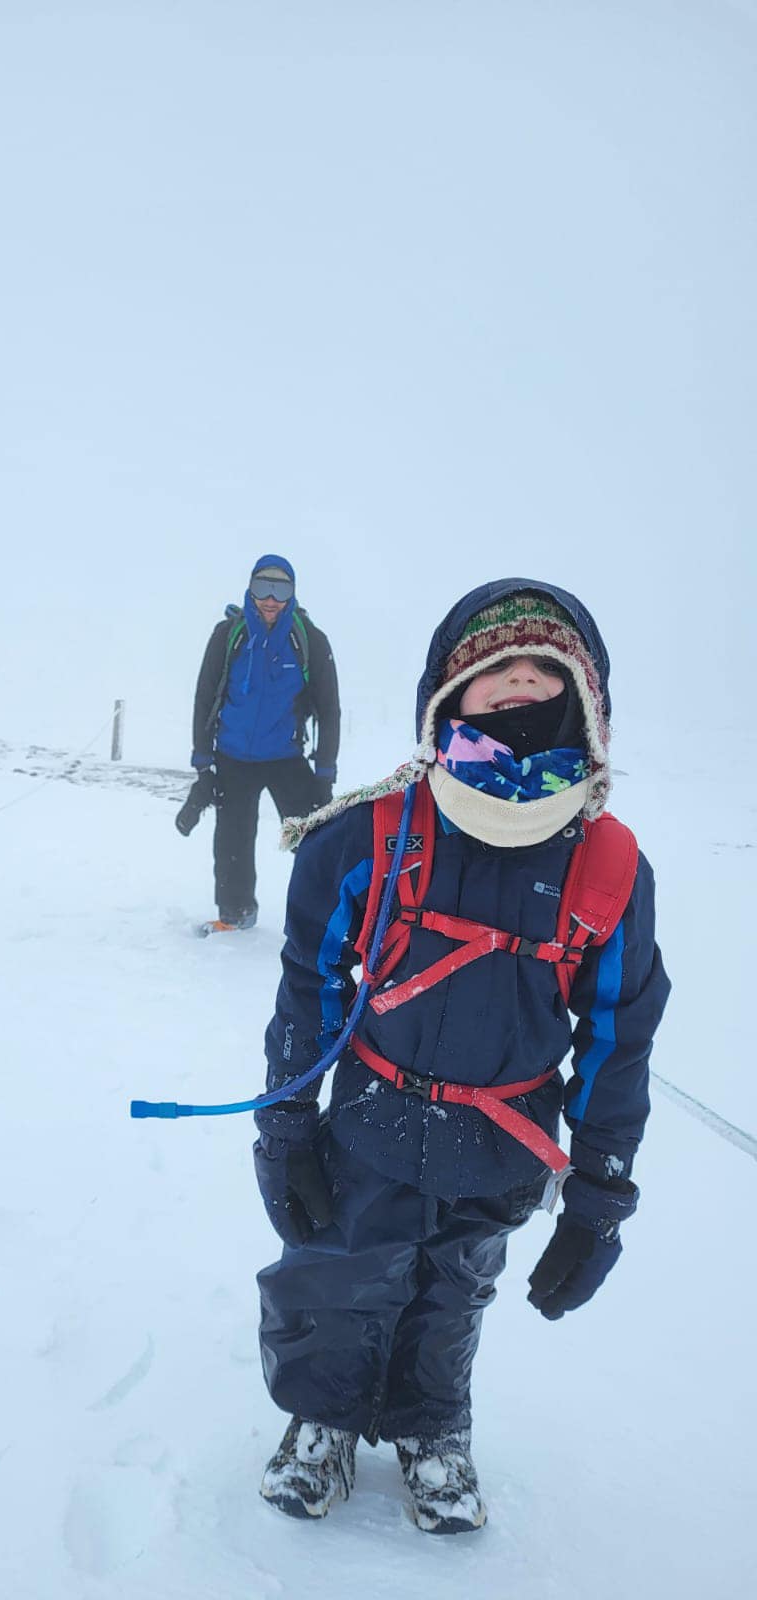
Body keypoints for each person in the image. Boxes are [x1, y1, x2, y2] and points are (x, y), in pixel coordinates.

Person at [251, 580, 670, 1532]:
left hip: (505, 1141)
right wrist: (284, 1126)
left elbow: (619, 1033)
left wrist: (601, 1192)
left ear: (585, 706)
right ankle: (321, 1419)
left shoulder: (607, 867)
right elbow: (308, 984)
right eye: (494, 673)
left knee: (454, 1289)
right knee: (335, 1272)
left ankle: (432, 1426)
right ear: (447, 698)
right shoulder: (375, 833)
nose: (519, 685)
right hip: (370, 1119)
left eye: (544, 674)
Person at [183, 556, 340, 934]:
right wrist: (204, 762)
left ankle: (331, 914)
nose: (270, 599)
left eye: (281, 589)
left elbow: (329, 709)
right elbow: (204, 697)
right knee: (232, 839)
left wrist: (325, 772)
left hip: (286, 757)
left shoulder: (309, 641)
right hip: (233, 756)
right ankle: (235, 914)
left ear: (293, 592)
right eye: (262, 588)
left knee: (316, 836)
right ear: (250, 589)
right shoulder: (228, 635)